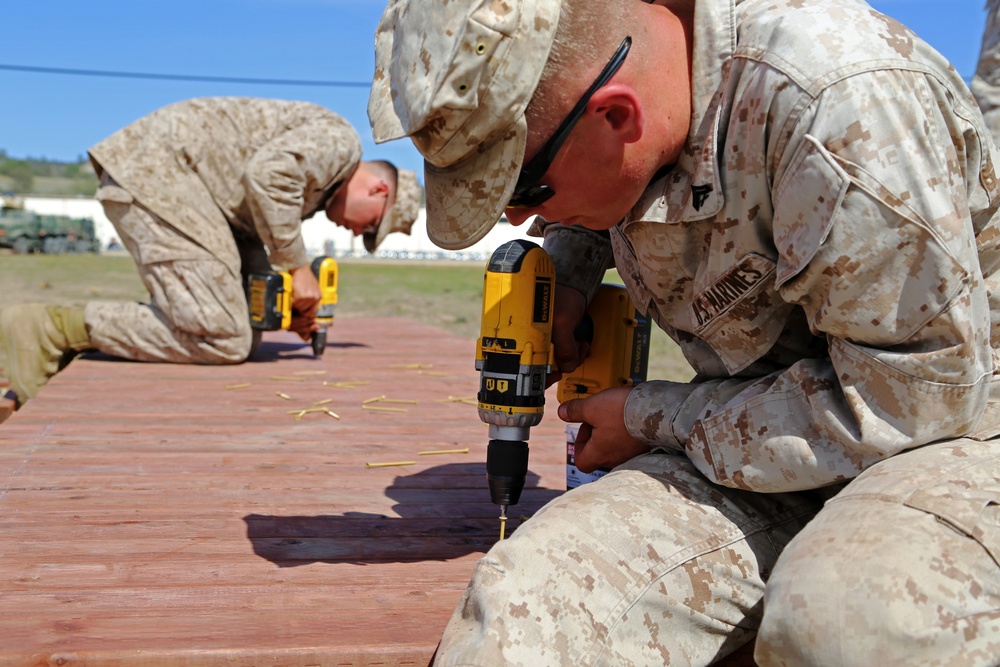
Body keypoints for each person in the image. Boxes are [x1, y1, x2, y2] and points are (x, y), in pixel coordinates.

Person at [368, 0, 1000, 665]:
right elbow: (609, 168)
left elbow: (910, 399)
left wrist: (650, 416)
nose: (518, 217)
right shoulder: (642, 80)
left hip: (952, 430)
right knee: (527, 612)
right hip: (755, 438)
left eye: (526, 187)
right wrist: (570, 274)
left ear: (618, 115)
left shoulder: (837, 100)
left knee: (850, 621)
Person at [0, 97, 421, 410]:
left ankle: (104, 330)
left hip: (191, 190)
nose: (354, 231)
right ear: (378, 189)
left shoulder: (314, 190)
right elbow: (268, 176)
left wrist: (281, 308)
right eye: (369, 225)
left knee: (248, 327)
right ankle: (54, 328)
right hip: (158, 173)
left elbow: (258, 227)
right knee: (225, 336)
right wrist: (297, 267)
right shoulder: (340, 144)